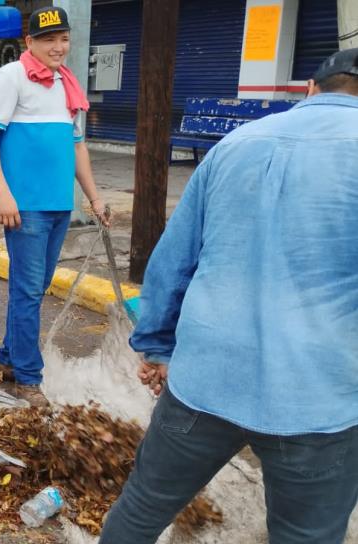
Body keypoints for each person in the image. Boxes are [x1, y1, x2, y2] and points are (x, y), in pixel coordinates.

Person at [99, 48, 358, 543]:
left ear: (309, 89)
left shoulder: (235, 144)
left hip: (203, 383)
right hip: (316, 403)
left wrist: (156, 347)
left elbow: (173, 264)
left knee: (141, 509)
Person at [0, 6, 107, 408]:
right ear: (29, 42)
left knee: (33, 289)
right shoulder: (11, 77)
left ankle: (10, 359)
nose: (58, 47)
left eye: (63, 39)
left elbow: (77, 146)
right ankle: (29, 378)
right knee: (29, 291)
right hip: (25, 206)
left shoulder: (66, 82)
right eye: (48, 40)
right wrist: (2, 193)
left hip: (58, 205)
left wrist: (95, 197)